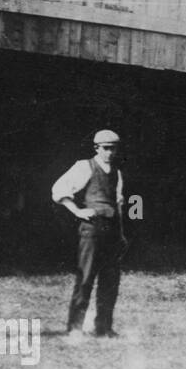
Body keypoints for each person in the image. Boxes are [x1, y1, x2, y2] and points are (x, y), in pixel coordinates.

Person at [51, 130, 127, 340]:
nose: (110, 153)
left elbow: (119, 204)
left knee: (110, 280)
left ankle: (103, 327)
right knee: (85, 278)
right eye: (106, 148)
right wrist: (77, 211)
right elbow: (59, 189)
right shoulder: (84, 167)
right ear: (96, 148)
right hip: (92, 230)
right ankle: (75, 327)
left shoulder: (117, 173)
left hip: (112, 231)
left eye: (113, 148)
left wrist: (120, 235)